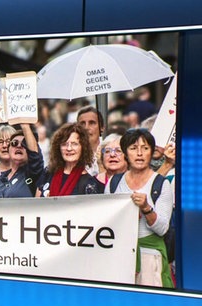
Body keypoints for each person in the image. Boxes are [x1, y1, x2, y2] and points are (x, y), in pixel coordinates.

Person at [104, 128, 174, 288]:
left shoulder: (161, 184)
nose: (140, 153)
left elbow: (163, 229)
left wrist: (146, 208)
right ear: (126, 153)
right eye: (134, 148)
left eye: (145, 148)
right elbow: (107, 218)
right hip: (120, 255)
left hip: (149, 256)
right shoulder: (114, 182)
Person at [36, 123, 102, 197]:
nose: (69, 148)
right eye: (64, 144)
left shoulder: (89, 183)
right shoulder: (48, 172)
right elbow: (36, 204)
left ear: (83, 147)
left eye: (74, 144)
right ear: (58, 148)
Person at [0, 123, 44, 198]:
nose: (19, 146)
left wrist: (25, 126)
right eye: (14, 143)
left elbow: (35, 155)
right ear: (8, 150)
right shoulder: (0, 179)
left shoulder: (32, 174)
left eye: (24, 144)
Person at [77, 105, 104, 176]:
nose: (86, 127)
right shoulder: (72, 152)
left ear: (102, 127)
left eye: (92, 123)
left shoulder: (108, 149)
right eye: (82, 123)